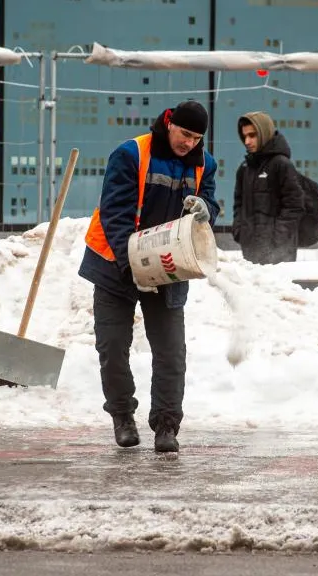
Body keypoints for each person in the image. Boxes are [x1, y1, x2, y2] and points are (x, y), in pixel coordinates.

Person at [78, 100, 219, 453]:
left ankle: (167, 426)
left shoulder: (205, 163)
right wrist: (131, 267)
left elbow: (211, 202)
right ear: (169, 124)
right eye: (184, 134)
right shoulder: (131, 154)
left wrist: (207, 209)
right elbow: (116, 213)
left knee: (171, 351)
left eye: (196, 137)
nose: (189, 143)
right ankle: (123, 416)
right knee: (112, 347)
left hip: (168, 263)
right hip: (114, 263)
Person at [232, 111, 305, 264]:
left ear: (264, 133)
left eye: (252, 135)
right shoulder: (245, 168)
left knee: (277, 288)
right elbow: (238, 203)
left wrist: (277, 238)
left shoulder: (281, 164)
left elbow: (295, 205)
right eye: (244, 136)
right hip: (250, 249)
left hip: (279, 253)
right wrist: (240, 231)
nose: (247, 141)